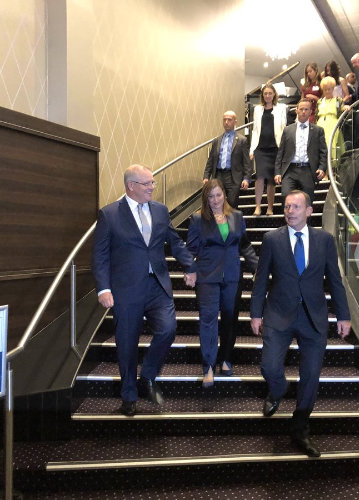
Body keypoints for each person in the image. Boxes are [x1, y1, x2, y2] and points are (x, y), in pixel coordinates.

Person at [250, 190, 351, 457]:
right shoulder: (271, 239)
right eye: (286, 206)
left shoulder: (324, 240)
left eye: (296, 207)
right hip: (278, 314)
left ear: (309, 211)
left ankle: (300, 429)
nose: (290, 211)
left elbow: (335, 280)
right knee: (269, 366)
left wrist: (343, 315)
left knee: (310, 376)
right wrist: (255, 313)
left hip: (313, 317)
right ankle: (278, 389)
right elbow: (261, 279)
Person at [93, 164, 197, 417]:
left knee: (168, 329)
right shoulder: (110, 214)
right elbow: (100, 255)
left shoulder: (160, 210)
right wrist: (103, 288)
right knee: (127, 343)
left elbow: (174, 241)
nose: (152, 187)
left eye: (152, 182)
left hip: (157, 285)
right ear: (131, 186)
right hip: (126, 290)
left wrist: (190, 266)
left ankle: (147, 375)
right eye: (147, 183)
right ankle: (129, 395)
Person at [186, 179, 258, 388]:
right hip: (207, 277)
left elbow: (245, 246)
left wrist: (258, 268)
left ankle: (226, 358)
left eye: (218, 195)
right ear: (205, 199)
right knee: (208, 320)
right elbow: (190, 250)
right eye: (211, 196)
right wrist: (190, 269)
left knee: (230, 319)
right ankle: (208, 366)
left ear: (224, 195)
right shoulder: (198, 219)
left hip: (232, 276)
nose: (215, 200)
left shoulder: (237, 216)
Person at [274, 99, 327, 204]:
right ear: (296, 110)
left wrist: (322, 168)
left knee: (307, 200)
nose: (303, 112)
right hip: (290, 170)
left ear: (310, 112)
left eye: (306, 109)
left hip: (308, 170)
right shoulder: (288, 130)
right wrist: (277, 172)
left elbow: (323, 152)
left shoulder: (318, 130)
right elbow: (280, 152)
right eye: (301, 109)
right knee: (285, 197)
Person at [249, 84, 287, 216]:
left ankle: (270, 207)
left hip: (275, 147)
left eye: (270, 93)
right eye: (265, 93)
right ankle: (258, 206)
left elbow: (283, 128)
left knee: (271, 179)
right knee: (259, 177)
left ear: (274, 94)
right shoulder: (257, 109)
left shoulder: (281, 108)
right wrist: (252, 149)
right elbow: (255, 130)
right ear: (262, 95)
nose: (268, 96)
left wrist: (283, 148)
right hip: (260, 148)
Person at [203, 110, 252, 208]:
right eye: (224, 120)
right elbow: (211, 160)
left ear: (235, 122)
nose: (226, 122)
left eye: (229, 120)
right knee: (217, 202)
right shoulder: (217, 140)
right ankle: (219, 218)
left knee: (231, 203)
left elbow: (247, 162)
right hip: (218, 175)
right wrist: (206, 176)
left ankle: (231, 218)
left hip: (233, 176)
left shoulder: (241, 140)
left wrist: (246, 178)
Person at [316, 76, 345, 166]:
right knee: (320, 146)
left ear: (333, 89)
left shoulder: (338, 100)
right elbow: (316, 115)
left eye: (329, 89)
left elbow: (341, 110)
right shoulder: (320, 101)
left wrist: (345, 108)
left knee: (332, 145)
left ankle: (332, 167)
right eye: (325, 89)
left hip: (333, 123)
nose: (327, 91)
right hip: (321, 124)